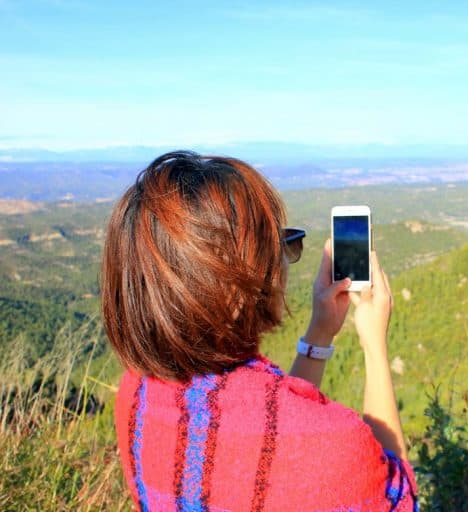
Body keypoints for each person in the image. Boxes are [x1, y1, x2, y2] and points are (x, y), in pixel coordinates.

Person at [101, 151, 417, 511]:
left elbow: (272, 433)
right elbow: (397, 494)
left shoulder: (136, 395)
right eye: (281, 244)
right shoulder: (336, 446)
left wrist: (320, 333)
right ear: (242, 279)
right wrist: (375, 347)